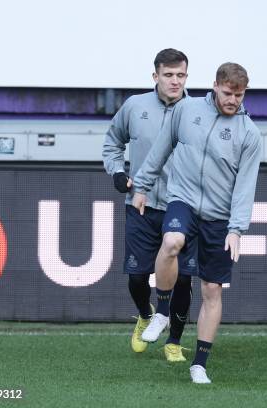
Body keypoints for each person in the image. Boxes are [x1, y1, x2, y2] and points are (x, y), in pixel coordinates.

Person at [132, 62, 262, 384]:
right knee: (172, 241)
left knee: (211, 289)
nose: (234, 100)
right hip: (183, 199)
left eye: (240, 95)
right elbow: (161, 149)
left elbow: (246, 186)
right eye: (229, 93)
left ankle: (199, 364)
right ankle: (161, 311)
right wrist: (142, 186)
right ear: (216, 85)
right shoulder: (186, 111)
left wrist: (237, 229)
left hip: (219, 217)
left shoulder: (250, 134)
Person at [102, 48, 197, 362]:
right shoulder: (134, 106)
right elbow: (113, 141)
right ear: (155, 76)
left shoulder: (198, 111)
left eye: (180, 75)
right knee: (137, 277)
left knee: (183, 278)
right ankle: (145, 314)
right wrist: (117, 171)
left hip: (182, 206)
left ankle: (173, 341)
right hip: (141, 205)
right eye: (168, 75)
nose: (174, 81)